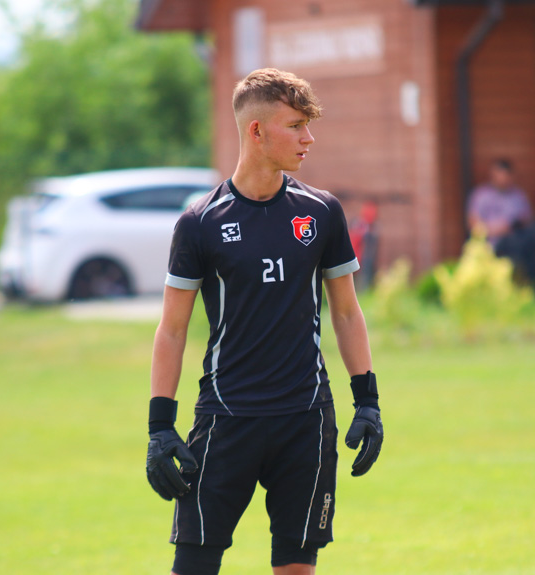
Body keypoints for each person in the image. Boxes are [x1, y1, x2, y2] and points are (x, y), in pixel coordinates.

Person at [145, 68, 383, 575]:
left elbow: (345, 311)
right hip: (227, 419)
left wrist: (368, 401)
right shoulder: (200, 223)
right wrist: (160, 428)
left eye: (308, 125)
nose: (308, 138)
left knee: (297, 567)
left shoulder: (321, 212)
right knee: (193, 566)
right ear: (256, 132)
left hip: (306, 418)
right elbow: (172, 328)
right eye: (295, 125)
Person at [467, 158, 535, 290]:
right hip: (493, 240)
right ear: (493, 175)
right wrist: (496, 229)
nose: (503, 180)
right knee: (515, 243)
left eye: (506, 176)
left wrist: (513, 225)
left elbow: (527, 219)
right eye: (499, 176)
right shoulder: (481, 195)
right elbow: (474, 224)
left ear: (511, 177)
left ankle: (532, 285)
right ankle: (522, 286)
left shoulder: (518, 195)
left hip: (517, 236)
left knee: (533, 232)